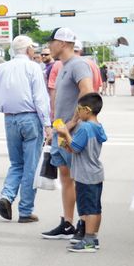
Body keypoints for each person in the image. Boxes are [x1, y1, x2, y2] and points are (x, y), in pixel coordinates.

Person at [0, 36, 52, 223]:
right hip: (30, 118)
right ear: (28, 49)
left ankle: (7, 196)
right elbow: (40, 98)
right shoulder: (33, 67)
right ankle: (25, 210)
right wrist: (47, 125)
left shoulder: (3, 68)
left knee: (16, 164)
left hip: (10, 120)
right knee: (30, 166)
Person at [42, 28, 95, 242]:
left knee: (79, 178)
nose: (48, 47)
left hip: (72, 131)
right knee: (66, 178)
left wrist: (74, 121)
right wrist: (55, 130)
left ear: (62, 43)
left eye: (51, 42)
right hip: (61, 131)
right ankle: (68, 223)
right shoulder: (62, 66)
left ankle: (83, 224)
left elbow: (88, 91)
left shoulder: (78, 64)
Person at [55, 93, 107, 253]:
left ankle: (89, 240)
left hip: (85, 174)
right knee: (95, 208)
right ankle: (93, 238)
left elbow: (76, 147)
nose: (77, 113)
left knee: (88, 209)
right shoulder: (98, 126)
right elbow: (79, 148)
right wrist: (67, 145)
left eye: (79, 110)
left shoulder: (84, 127)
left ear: (87, 110)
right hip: (95, 172)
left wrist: (65, 133)